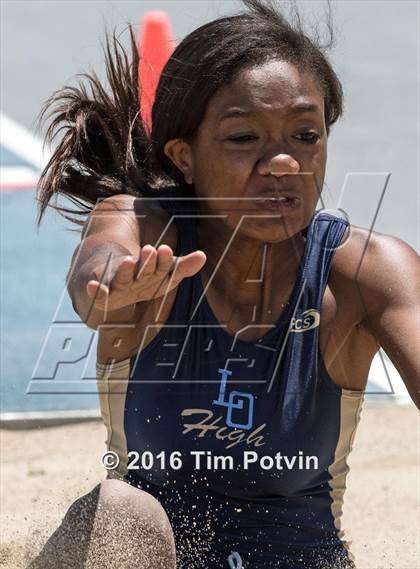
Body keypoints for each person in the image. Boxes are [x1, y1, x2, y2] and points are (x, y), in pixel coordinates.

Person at [30, 1, 419, 568]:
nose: (284, 163)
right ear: (185, 157)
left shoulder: (369, 271)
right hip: (149, 555)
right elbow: (99, 265)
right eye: (243, 139)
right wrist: (110, 285)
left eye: (305, 135)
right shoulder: (144, 228)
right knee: (119, 509)